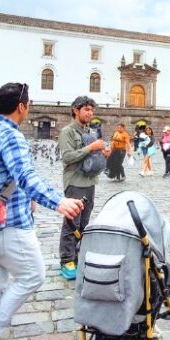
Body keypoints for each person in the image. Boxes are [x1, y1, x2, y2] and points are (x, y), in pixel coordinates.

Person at [0, 82, 83, 340]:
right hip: (9, 225)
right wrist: (58, 202)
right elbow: (27, 177)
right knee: (34, 275)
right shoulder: (10, 136)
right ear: (22, 107)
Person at [57, 96, 110, 280]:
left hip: (89, 182)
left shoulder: (90, 131)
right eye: (86, 109)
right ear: (75, 110)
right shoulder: (68, 132)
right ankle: (66, 260)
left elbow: (91, 156)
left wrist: (102, 153)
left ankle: (79, 255)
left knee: (84, 223)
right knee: (71, 223)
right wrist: (91, 148)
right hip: (75, 183)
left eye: (91, 110)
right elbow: (68, 157)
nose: (90, 113)